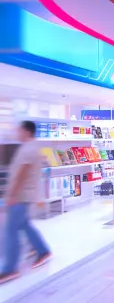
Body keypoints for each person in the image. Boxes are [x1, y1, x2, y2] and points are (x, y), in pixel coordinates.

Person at [0, 121, 52, 284]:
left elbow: (22, 174)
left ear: (27, 132)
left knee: (11, 230)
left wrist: (12, 195)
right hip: (23, 195)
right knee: (24, 225)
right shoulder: (29, 148)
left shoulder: (29, 149)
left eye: (20, 130)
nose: (17, 133)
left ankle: (10, 269)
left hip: (21, 196)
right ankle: (43, 251)